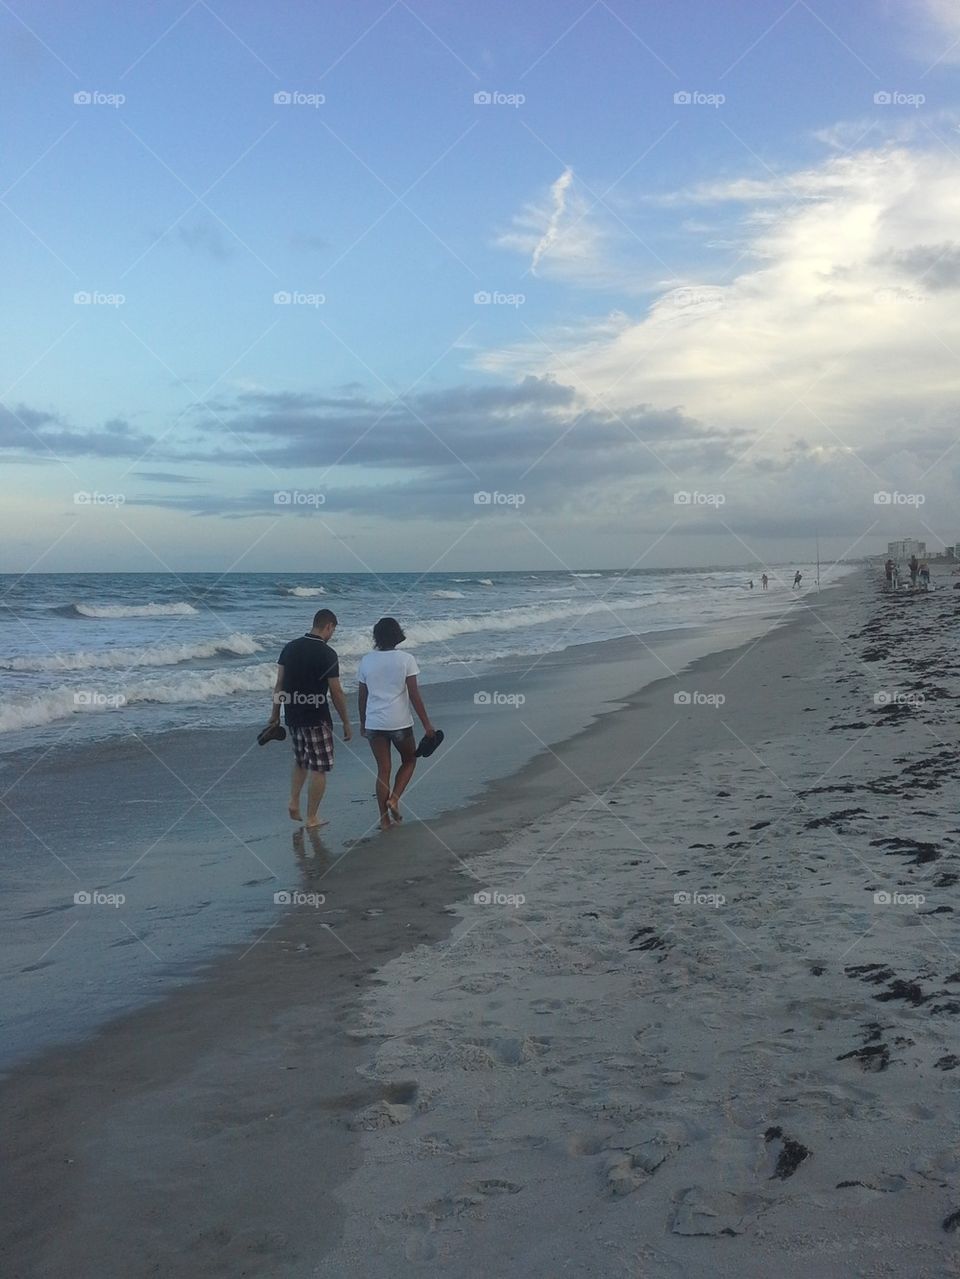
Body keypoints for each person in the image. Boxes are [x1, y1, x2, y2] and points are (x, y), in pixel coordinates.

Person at [269, 608, 352, 828]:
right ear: (329, 626)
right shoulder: (327, 653)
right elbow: (336, 691)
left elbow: (279, 684)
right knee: (319, 768)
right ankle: (312, 817)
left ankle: (293, 801)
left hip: (293, 715)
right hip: (317, 718)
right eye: (333, 630)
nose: (332, 634)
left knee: (301, 761)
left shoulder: (289, 648)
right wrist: (345, 721)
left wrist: (275, 714)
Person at [357, 616, 435, 830]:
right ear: (397, 635)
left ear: (377, 637)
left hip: (374, 722)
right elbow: (414, 695)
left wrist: (363, 723)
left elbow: (362, 697)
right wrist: (427, 725)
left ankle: (383, 821)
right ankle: (394, 799)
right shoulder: (406, 659)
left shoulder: (366, 660)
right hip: (399, 721)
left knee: (383, 769)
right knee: (409, 760)